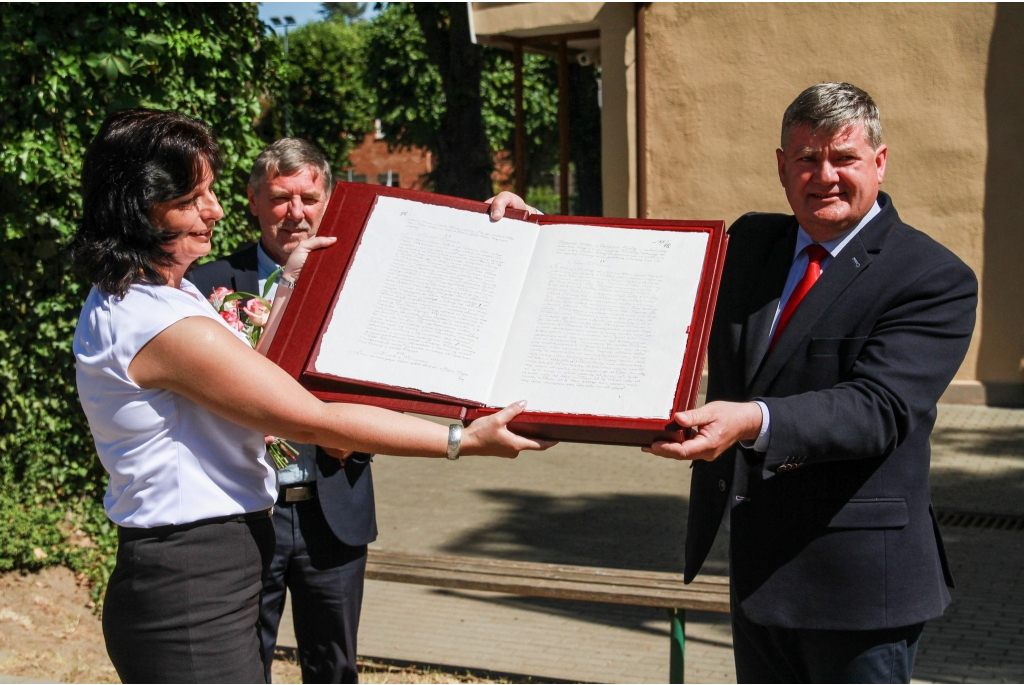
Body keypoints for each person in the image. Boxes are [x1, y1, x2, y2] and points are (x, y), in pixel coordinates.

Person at [70, 108, 552, 684]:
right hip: (191, 582)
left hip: (202, 568)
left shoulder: (156, 301)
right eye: (193, 198)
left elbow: (268, 369)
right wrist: (462, 439)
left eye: (212, 191)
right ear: (143, 208)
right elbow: (311, 415)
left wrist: (485, 230)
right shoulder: (157, 321)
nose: (215, 210)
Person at [645, 83, 978, 682]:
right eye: (806, 158)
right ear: (781, 167)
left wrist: (751, 420)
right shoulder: (750, 245)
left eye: (843, 158)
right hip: (759, 581)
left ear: (880, 161)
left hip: (859, 591)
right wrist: (537, 240)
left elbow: (879, 407)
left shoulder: (932, 277)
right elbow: (643, 280)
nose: (823, 175)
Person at [188, 139, 369, 683]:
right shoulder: (205, 283)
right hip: (244, 510)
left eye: (309, 198)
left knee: (334, 668)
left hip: (332, 504)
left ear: (329, 198)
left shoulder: (362, 280)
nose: (296, 213)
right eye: (280, 197)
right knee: (242, 666)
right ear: (252, 200)